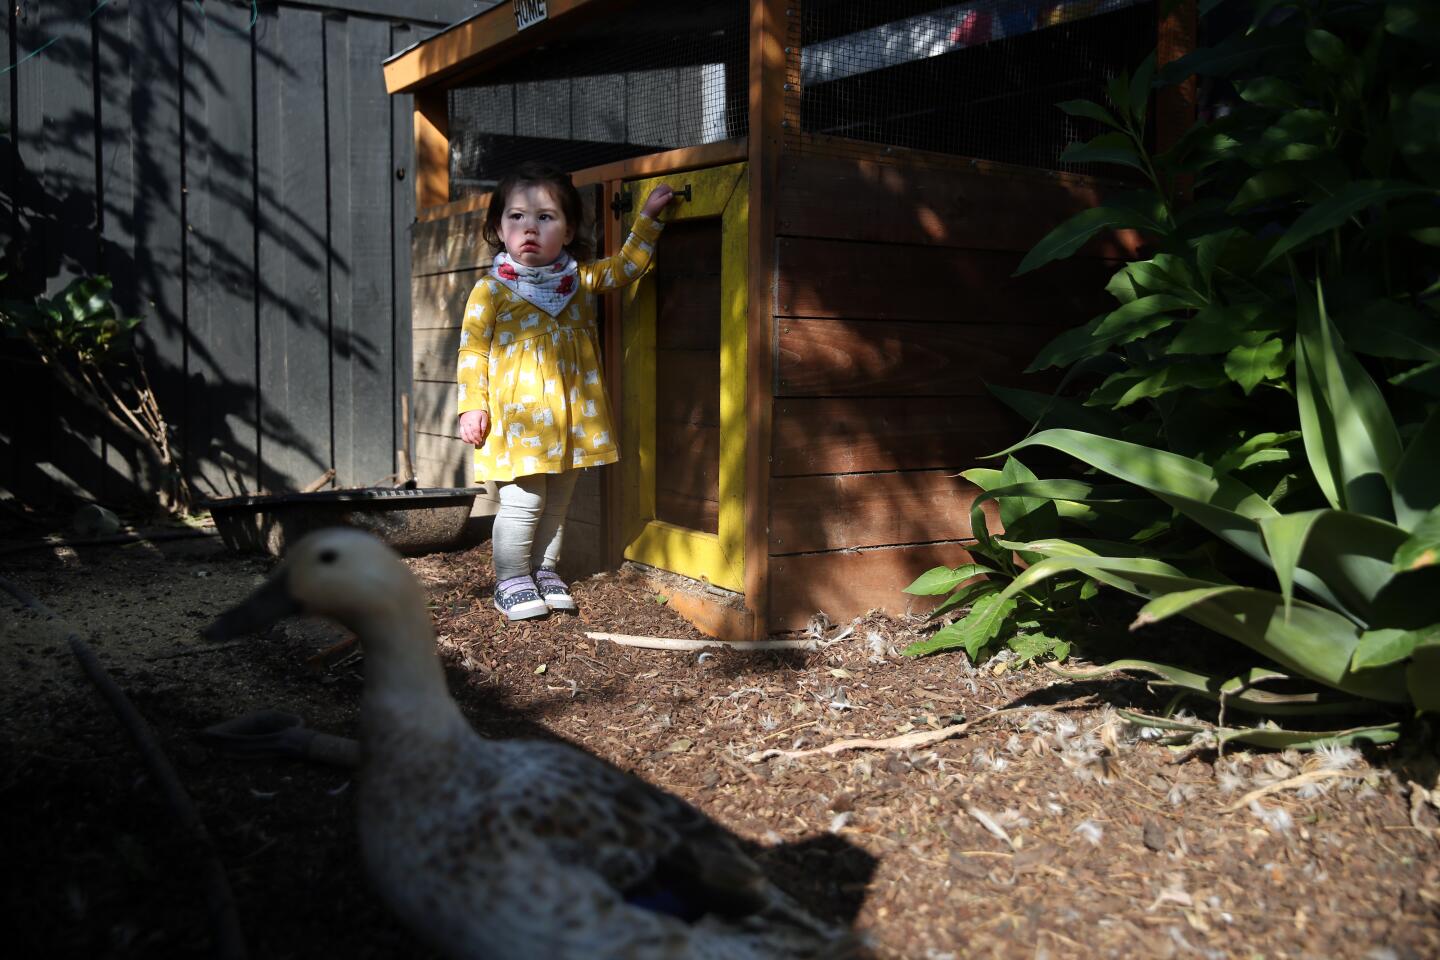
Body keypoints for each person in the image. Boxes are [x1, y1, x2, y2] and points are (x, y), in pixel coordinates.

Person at [456, 162, 675, 620]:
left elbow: (624, 269)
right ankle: (511, 577)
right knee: (524, 499)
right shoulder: (491, 290)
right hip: (518, 422)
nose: (529, 227)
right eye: (516, 217)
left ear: (569, 229)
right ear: (498, 228)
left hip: (571, 418)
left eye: (545, 217)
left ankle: (543, 568)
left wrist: (649, 218)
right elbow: (472, 352)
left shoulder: (575, 280)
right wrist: (471, 406)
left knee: (558, 499)